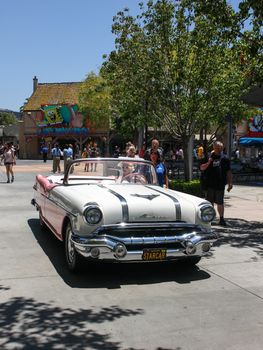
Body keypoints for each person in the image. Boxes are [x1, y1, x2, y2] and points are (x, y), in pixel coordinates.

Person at [200, 141, 233, 226]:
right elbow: (202, 168)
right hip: (210, 184)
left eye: (220, 147)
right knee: (209, 202)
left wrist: (230, 183)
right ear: (213, 147)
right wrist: (209, 162)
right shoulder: (208, 156)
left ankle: (221, 219)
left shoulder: (225, 158)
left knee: (220, 202)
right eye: (217, 147)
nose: (219, 149)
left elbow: (228, 172)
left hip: (220, 184)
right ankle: (209, 218)